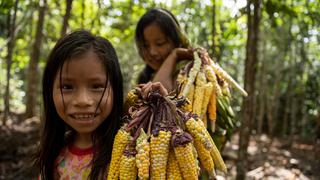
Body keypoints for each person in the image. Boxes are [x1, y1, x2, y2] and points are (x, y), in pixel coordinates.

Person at [34, 30, 123, 179]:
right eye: (67, 87)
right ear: (49, 92)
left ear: (115, 89)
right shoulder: (52, 156)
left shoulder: (130, 152)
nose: (83, 100)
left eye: (96, 86)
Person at [135, 8, 194, 92]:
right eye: (146, 45)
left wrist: (174, 55)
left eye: (160, 43)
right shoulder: (144, 76)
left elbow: (159, 97)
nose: (152, 52)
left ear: (177, 40)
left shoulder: (189, 71)